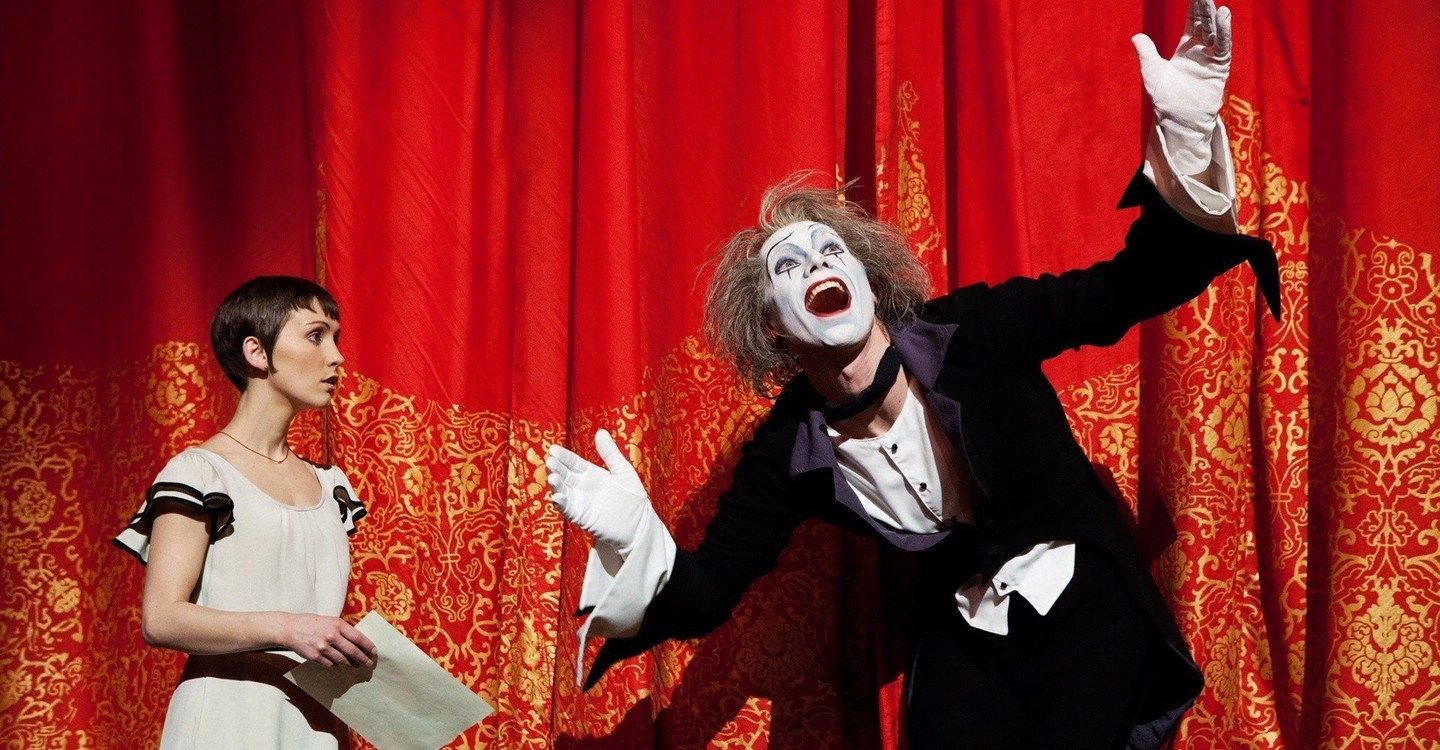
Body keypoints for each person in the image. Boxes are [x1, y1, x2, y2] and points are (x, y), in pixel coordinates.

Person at [545, 1, 1280, 747]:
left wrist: (1186, 134)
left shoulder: (972, 333)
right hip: (967, 627)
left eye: (832, 252)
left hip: (1083, 598)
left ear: (868, 282)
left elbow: (1127, 289)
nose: (817, 265)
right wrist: (637, 542)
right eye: (789, 267)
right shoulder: (790, 450)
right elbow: (707, 593)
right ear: (771, 327)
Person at [115, 276, 375, 750]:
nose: (337, 357)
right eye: (316, 336)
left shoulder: (331, 485)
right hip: (228, 721)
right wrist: (290, 629)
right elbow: (161, 618)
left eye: (336, 339)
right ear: (257, 352)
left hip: (315, 725)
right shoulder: (200, 473)